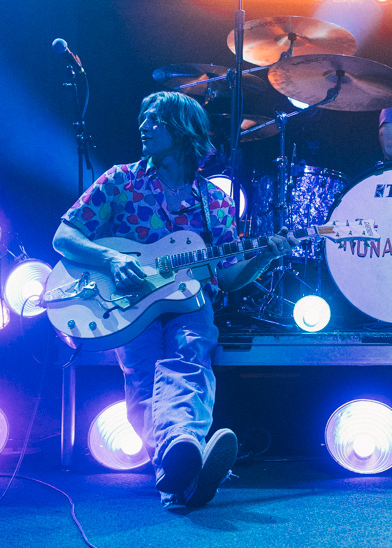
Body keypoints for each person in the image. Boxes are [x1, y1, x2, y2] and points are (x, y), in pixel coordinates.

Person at [53, 90, 297, 512]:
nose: (143, 125)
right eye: (143, 117)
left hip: (191, 302)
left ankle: (178, 463)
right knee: (145, 376)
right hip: (128, 305)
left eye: (155, 119)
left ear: (183, 130)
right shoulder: (121, 180)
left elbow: (228, 276)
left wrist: (264, 256)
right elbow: (64, 236)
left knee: (189, 361)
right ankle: (183, 462)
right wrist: (111, 259)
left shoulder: (215, 201)